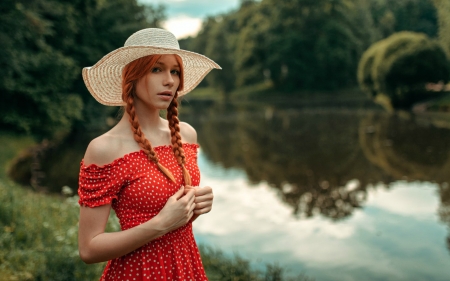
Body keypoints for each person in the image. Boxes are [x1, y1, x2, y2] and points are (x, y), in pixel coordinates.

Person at [77, 28, 221, 280]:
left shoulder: (186, 135)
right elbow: (89, 249)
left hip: (186, 268)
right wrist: (160, 224)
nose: (170, 81)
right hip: (137, 272)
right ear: (130, 76)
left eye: (174, 71)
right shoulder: (104, 149)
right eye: (157, 69)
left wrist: (193, 209)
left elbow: (176, 221)